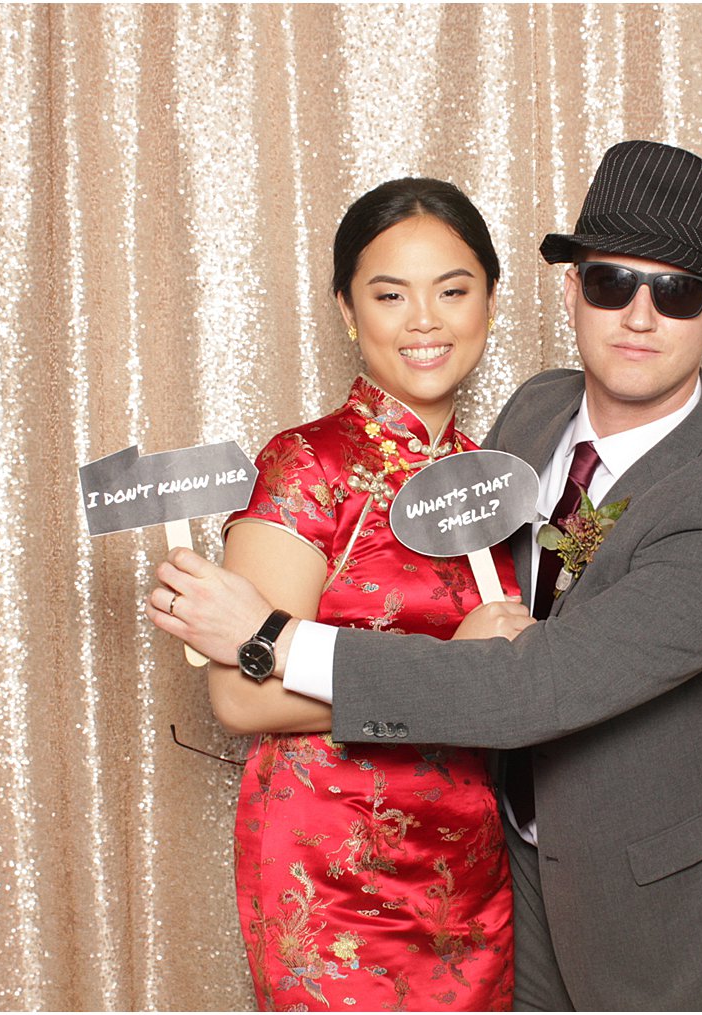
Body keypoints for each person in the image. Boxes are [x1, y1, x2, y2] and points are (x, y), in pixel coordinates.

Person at [152, 142, 702, 1011]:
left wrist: (270, 638)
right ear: (571, 290)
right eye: (613, 282)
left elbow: (538, 682)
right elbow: (537, 583)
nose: (639, 317)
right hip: (509, 884)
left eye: (677, 291)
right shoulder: (535, 416)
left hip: (662, 918)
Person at [196, 178, 518, 1011]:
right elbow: (239, 693)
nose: (425, 320)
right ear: (347, 311)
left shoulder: (501, 481)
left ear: (490, 300)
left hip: (471, 874)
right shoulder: (307, 465)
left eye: (453, 290)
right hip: (331, 874)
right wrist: (457, 670)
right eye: (389, 294)